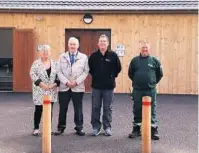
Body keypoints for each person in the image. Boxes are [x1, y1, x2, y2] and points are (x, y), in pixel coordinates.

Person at [128, 42, 163, 140]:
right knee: (137, 108)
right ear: (140, 49)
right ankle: (136, 129)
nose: (145, 50)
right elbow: (130, 74)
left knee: (152, 110)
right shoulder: (134, 61)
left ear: (149, 49)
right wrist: (137, 82)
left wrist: (152, 82)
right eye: (143, 48)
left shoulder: (155, 61)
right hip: (137, 90)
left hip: (150, 90)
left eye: (146, 48)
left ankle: (153, 130)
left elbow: (159, 74)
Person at [54, 37, 89, 136]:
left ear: (78, 46)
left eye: (74, 44)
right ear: (68, 45)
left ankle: (79, 128)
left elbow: (86, 71)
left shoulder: (84, 57)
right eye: (71, 44)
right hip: (64, 87)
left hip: (77, 87)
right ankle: (61, 127)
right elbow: (58, 71)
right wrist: (66, 82)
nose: (72, 46)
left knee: (78, 108)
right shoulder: (62, 57)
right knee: (62, 108)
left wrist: (76, 82)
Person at [89, 34, 122, 136]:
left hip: (109, 87)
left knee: (108, 108)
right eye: (101, 41)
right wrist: (96, 75)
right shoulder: (93, 56)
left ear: (107, 43)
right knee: (95, 107)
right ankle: (96, 127)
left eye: (104, 41)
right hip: (96, 87)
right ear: (98, 44)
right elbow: (90, 69)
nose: (102, 43)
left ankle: (107, 127)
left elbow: (118, 68)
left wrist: (112, 76)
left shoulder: (113, 55)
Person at [30, 45, 60, 136]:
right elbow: (32, 74)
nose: (45, 53)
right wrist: (41, 84)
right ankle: (36, 128)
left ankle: (48, 128)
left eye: (47, 51)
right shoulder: (36, 63)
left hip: (51, 90)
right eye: (43, 51)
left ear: (50, 53)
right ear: (40, 53)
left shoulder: (54, 63)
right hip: (39, 90)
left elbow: (58, 76)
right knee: (38, 109)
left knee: (49, 110)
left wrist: (54, 85)